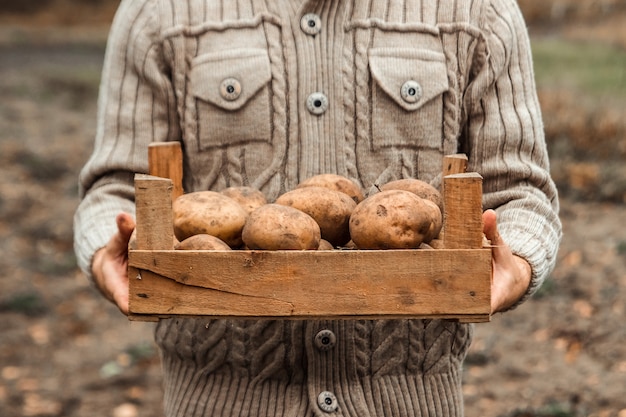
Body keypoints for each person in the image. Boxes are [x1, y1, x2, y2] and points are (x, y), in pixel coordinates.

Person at [74, 0, 562, 416]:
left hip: (411, 400)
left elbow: (520, 190)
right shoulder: (157, 13)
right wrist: (106, 251)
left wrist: (515, 261)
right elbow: (114, 186)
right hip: (217, 398)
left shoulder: (478, 10)